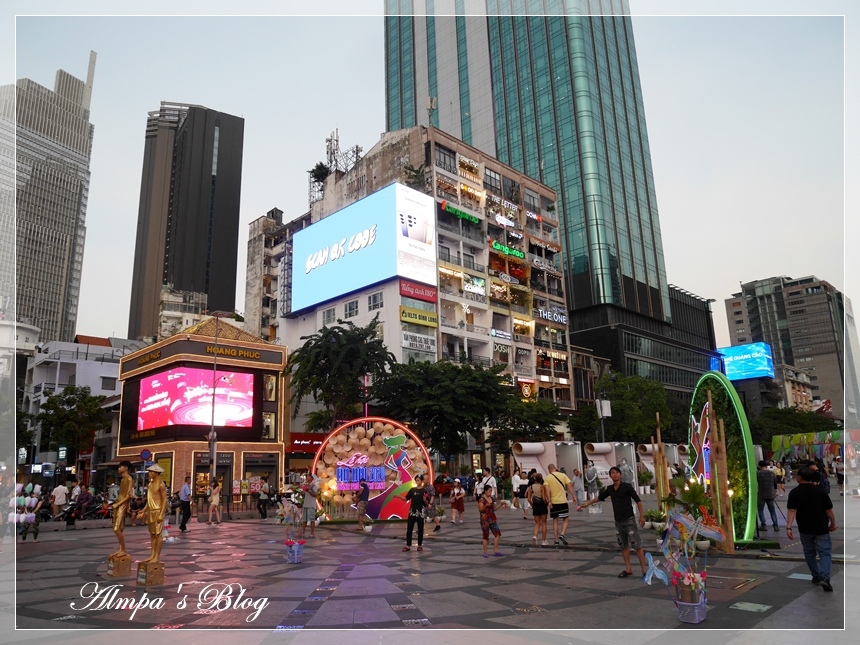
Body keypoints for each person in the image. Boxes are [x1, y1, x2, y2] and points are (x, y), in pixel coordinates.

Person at [582, 466, 647, 578]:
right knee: (623, 546)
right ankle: (628, 568)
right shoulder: (610, 489)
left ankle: (644, 570)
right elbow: (600, 497)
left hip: (629, 520)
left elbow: (638, 500)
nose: (615, 474)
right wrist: (588, 503)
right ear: (610, 476)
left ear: (620, 475)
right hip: (618, 521)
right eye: (612, 473)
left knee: (637, 545)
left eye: (617, 472)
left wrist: (642, 516)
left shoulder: (627, 487)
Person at [786, 466, 838, 591]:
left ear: (799, 477)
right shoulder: (820, 492)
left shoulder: (794, 493)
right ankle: (825, 578)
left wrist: (788, 527)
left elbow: (792, 510)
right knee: (825, 553)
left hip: (804, 528)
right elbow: (828, 510)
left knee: (809, 553)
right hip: (821, 527)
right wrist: (833, 523)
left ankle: (816, 576)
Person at [137, 464, 168, 564]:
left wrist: (161, 513)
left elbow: (164, 500)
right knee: (152, 534)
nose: (150, 473)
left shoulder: (161, 484)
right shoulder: (150, 484)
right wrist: (143, 510)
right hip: (151, 511)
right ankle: (152, 554)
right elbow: (149, 501)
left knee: (158, 535)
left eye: (152, 472)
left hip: (158, 511)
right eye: (149, 472)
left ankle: (157, 556)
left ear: (157, 473)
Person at [545, 463, 574, 546]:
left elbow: (547, 490)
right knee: (566, 519)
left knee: (555, 521)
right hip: (563, 501)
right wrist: (573, 496)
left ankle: (556, 540)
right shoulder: (563, 475)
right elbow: (569, 486)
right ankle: (562, 533)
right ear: (555, 468)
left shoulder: (547, 478)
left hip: (554, 503)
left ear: (549, 470)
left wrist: (549, 501)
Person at [396, 474, 427, 552]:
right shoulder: (412, 490)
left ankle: (419, 545)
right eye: (416, 480)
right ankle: (408, 545)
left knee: (420, 529)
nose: (417, 482)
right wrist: (399, 496)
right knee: (409, 528)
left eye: (419, 480)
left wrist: (425, 500)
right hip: (412, 511)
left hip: (420, 511)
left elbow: (427, 502)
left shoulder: (424, 490)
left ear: (422, 481)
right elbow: (406, 498)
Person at [478, 485, 506, 557]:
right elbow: (480, 510)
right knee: (485, 536)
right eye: (489, 491)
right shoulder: (481, 500)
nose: (490, 492)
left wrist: (500, 504)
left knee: (497, 534)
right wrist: (485, 506)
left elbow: (494, 509)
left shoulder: (492, 499)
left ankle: (496, 551)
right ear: (485, 491)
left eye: (491, 491)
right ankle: (485, 552)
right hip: (485, 519)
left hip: (492, 519)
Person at [756, 460, 780, 531]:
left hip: (761, 494)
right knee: (772, 510)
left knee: (760, 510)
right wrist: (775, 491)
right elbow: (775, 483)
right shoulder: (772, 473)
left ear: (760, 466)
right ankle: (776, 525)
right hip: (770, 494)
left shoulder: (758, 473)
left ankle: (763, 525)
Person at [527, 473, 549, 545]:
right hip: (542, 505)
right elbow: (543, 497)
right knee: (544, 523)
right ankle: (544, 540)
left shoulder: (531, 487)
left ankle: (535, 536)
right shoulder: (542, 487)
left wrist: (532, 505)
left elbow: (529, 499)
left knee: (537, 523)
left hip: (535, 506)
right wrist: (547, 503)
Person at [299, 474, 319, 539]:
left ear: (311, 478)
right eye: (306, 477)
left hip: (311, 505)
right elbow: (304, 494)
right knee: (304, 520)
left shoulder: (314, 486)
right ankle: (303, 533)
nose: (307, 478)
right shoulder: (305, 485)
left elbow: (316, 495)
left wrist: (309, 491)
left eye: (308, 477)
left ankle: (312, 533)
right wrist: (301, 493)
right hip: (305, 504)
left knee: (312, 519)